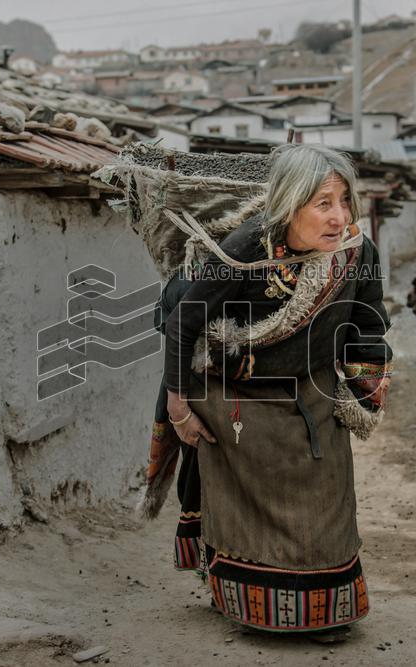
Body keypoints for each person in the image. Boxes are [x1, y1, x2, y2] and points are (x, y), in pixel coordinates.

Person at [147, 144, 393, 636]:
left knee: (327, 497)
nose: (340, 217)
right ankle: (247, 600)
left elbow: (368, 321)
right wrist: (180, 410)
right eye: (323, 203)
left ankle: (326, 609)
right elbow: (183, 325)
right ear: (289, 204)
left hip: (312, 388)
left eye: (345, 201)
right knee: (241, 504)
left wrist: (365, 390)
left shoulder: (356, 252)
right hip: (239, 392)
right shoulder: (243, 251)